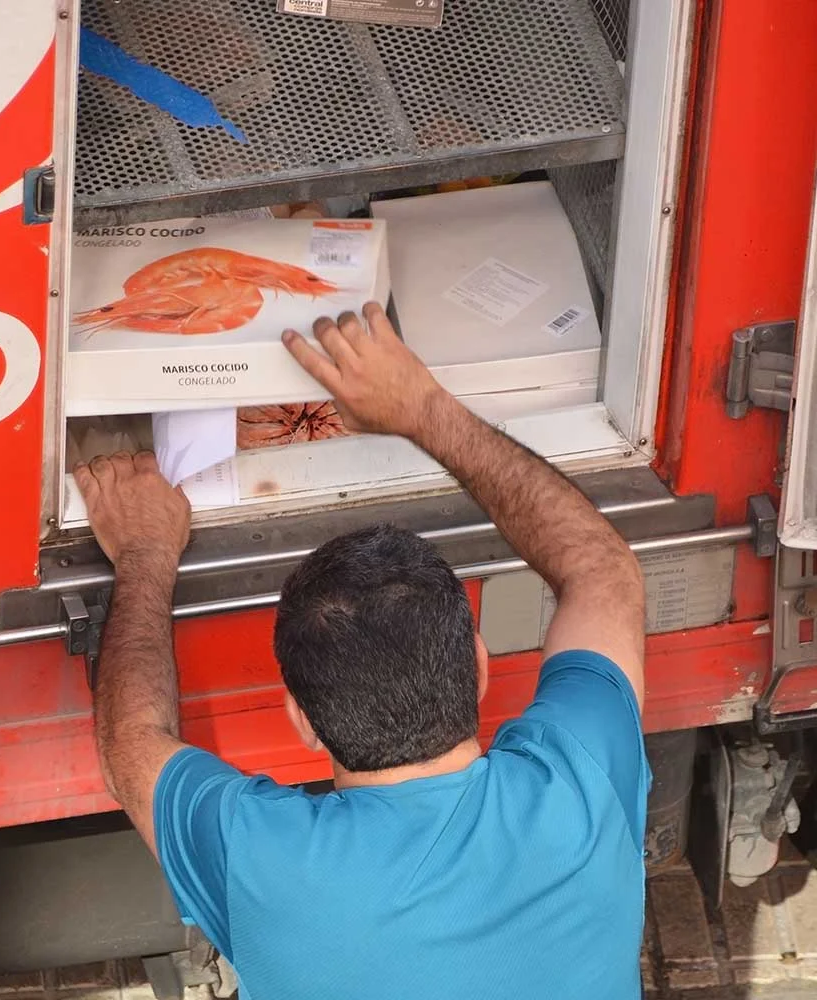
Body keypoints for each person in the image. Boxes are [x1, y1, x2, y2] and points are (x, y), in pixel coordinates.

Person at [74, 303, 649, 1000]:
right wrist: (423, 409)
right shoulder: (579, 791)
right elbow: (604, 574)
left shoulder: (266, 865)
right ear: (478, 666)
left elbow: (130, 741)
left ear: (302, 721)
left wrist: (142, 550)